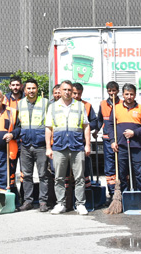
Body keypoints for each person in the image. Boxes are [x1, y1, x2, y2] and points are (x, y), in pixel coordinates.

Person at [45, 80, 91, 215]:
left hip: (77, 146)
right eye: (64, 90)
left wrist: (87, 145)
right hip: (59, 146)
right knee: (58, 177)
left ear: (72, 91)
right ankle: (60, 204)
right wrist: (48, 147)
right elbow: (48, 128)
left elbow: (86, 126)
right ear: (60, 91)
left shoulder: (80, 106)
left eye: (69, 90)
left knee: (80, 177)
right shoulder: (52, 107)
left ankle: (80, 204)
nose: (67, 92)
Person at [104, 83, 141, 208]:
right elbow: (110, 126)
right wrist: (113, 141)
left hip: (136, 147)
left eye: (131, 94)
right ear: (123, 95)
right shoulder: (116, 108)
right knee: (122, 173)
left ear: (135, 95)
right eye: (127, 94)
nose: (129, 96)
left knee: (139, 173)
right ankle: (124, 199)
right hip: (121, 146)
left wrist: (134, 133)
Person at [17, 79, 51, 212]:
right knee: (26, 175)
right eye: (28, 88)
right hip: (25, 145)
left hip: (40, 144)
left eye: (33, 88)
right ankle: (28, 201)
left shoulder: (45, 102)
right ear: (24, 90)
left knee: (43, 175)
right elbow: (18, 124)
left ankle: (43, 202)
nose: (31, 91)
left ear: (37, 89)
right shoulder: (20, 104)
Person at [72, 83, 99, 201]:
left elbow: (94, 121)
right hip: (67, 143)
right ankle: (69, 196)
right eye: (74, 93)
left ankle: (86, 195)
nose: (76, 96)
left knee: (84, 169)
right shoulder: (64, 106)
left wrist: (85, 127)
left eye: (79, 94)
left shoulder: (87, 106)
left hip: (82, 142)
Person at [96, 81, 119, 199]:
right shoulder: (103, 104)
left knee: (121, 166)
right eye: (110, 91)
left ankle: (121, 191)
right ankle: (112, 193)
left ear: (118, 91)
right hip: (107, 139)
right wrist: (95, 130)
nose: (112, 93)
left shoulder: (122, 104)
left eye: (114, 90)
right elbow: (100, 119)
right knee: (109, 167)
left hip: (120, 140)